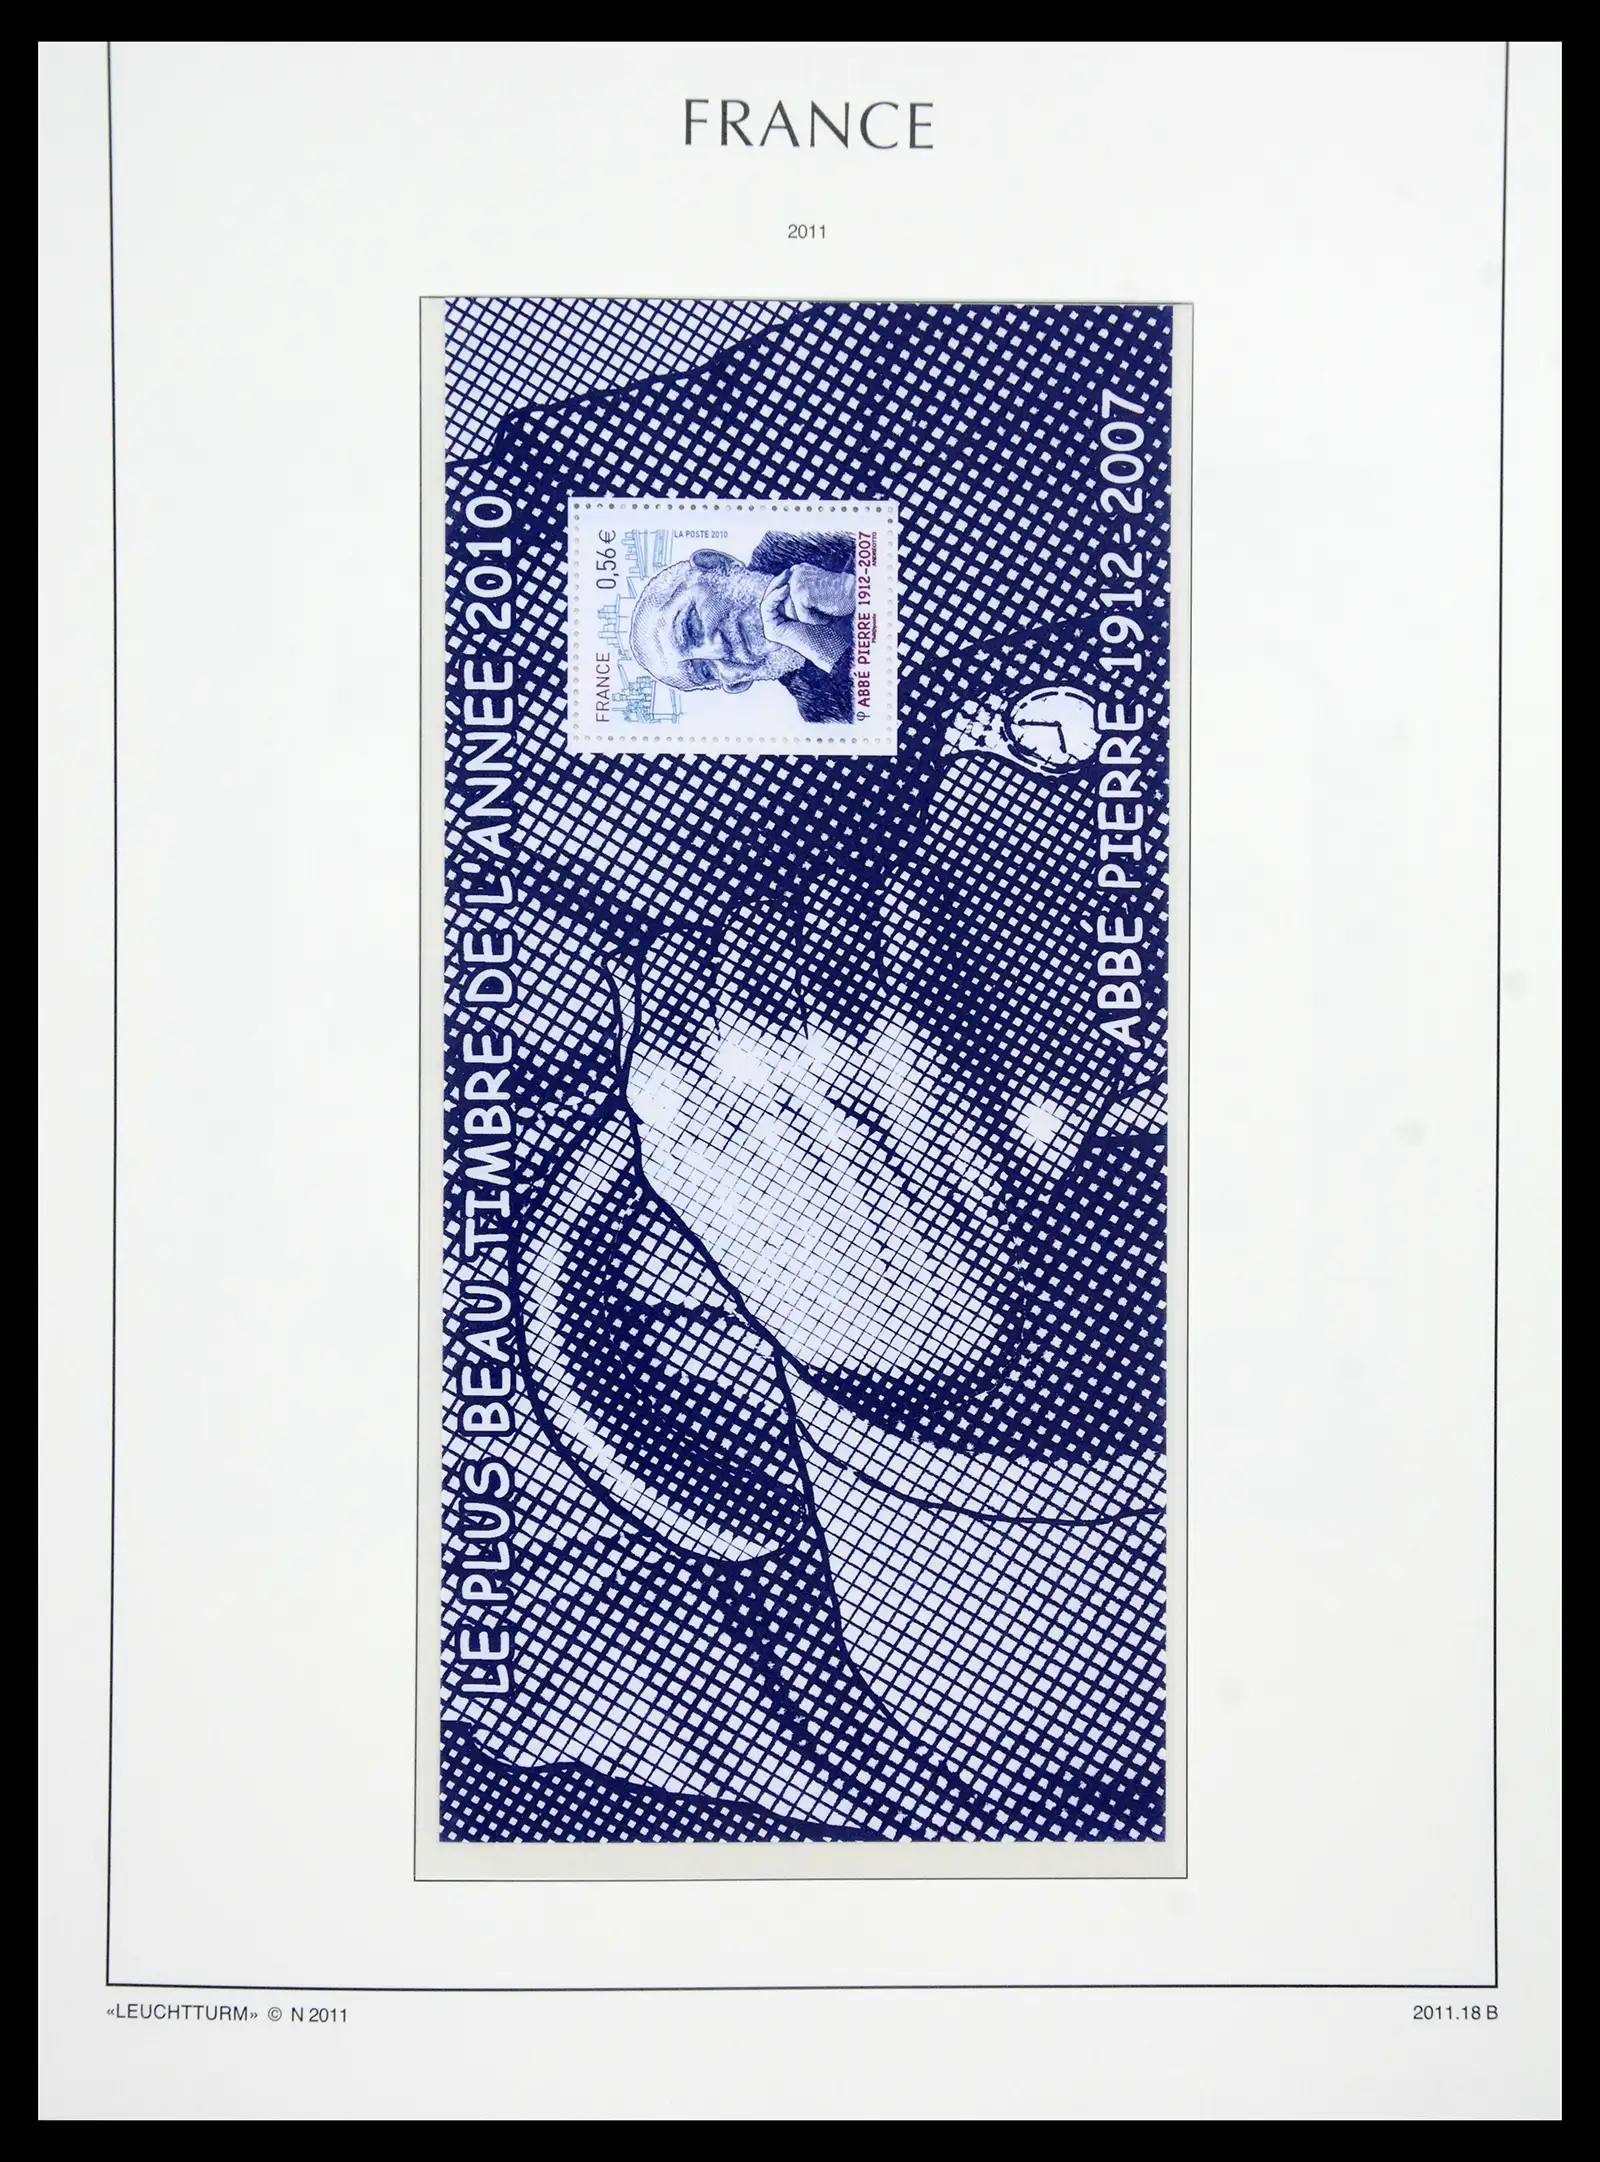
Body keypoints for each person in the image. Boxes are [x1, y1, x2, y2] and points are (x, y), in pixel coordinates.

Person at [627, 536, 858, 722]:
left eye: (691, 628)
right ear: (737, 683)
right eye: (705, 671)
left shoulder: (798, 535)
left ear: (717, 564)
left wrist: (855, 588)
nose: (716, 650)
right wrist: (833, 653)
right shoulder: (826, 712)